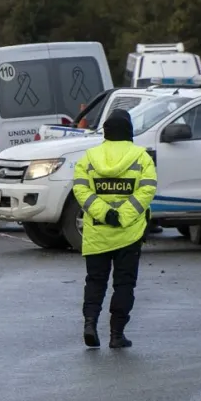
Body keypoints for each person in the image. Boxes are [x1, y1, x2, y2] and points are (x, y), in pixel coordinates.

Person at [73, 109, 158, 348]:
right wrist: (122, 216)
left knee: (95, 281)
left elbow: (81, 190)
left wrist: (104, 213)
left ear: (107, 132)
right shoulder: (141, 157)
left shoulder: (88, 157)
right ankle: (116, 335)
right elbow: (147, 190)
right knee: (124, 284)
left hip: (97, 233)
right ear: (129, 131)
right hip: (129, 233)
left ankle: (90, 323)